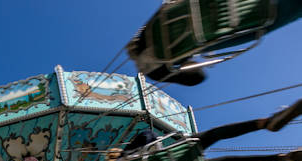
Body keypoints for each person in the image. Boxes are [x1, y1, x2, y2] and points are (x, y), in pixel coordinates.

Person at [108, 99, 302, 161]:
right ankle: (264, 123)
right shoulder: (124, 160)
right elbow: (147, 136)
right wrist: (132, 150)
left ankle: (282, 158)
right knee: (214, 135)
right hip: (175, 156)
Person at [127, 0, 302, 86]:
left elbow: (198, 77)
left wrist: (192, 63)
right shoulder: (154, 25)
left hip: (238, 20)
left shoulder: (158, 64)